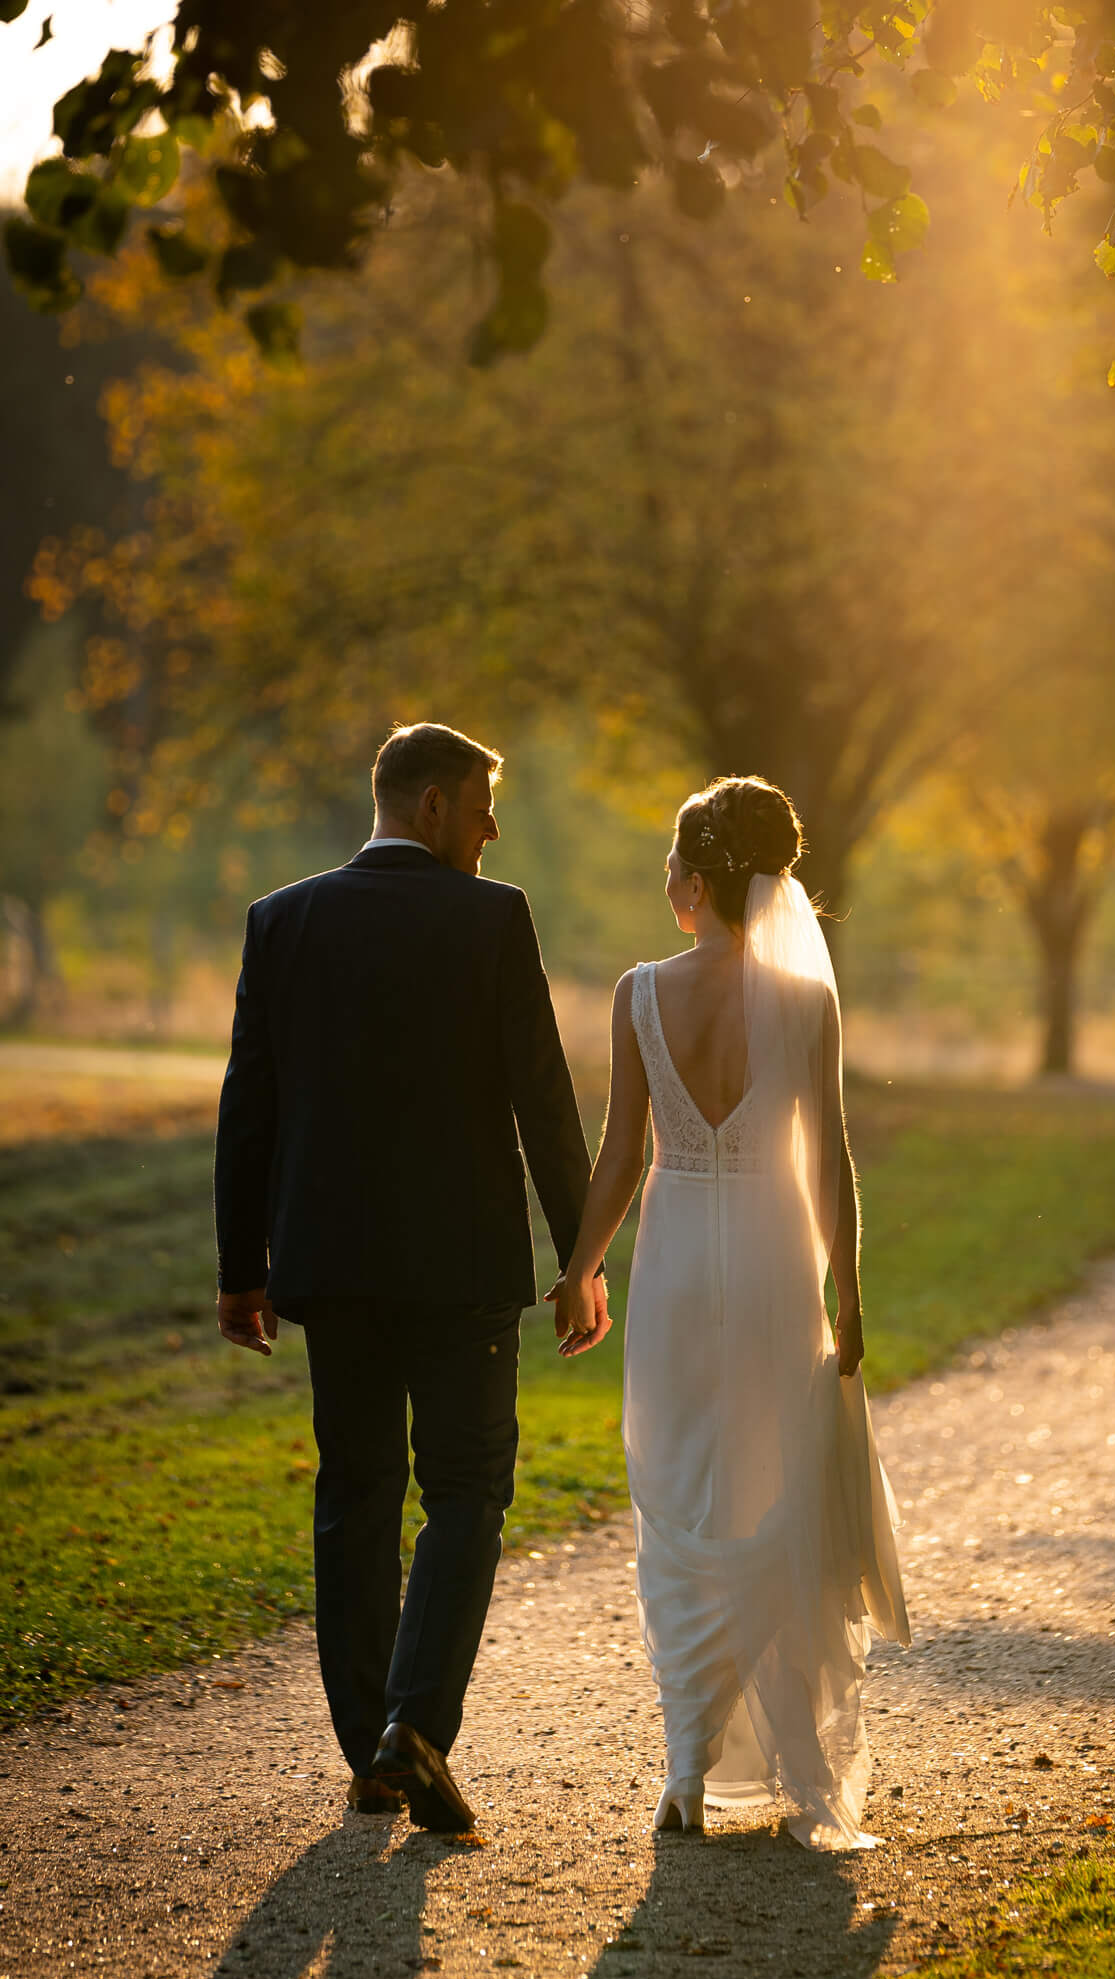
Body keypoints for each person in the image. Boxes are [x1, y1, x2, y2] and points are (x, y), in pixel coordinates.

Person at [213, 723, 606, 1831]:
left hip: (330, 1265)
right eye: (483, 804)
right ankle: (414, 1726)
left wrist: (244, 1270)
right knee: (467, 1490)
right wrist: (579, 1258)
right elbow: (542, 1098)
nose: (493, 828)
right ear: (431, 805)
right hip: (462, 1266)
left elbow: (252, 1106)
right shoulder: (491, 919)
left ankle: (370, 1745)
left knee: (357, 1490)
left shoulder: (281, 921)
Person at [554, 775, 908, 1849]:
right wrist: (847, 1290)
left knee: (675, 1493)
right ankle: (775, 1755)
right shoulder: (805, 1001)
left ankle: (683, 1766)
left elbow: (621, 1154)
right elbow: (831, 1159)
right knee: (774, 1491)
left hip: (672, 1273)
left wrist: (580, 1268)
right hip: (769, 1257)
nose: (664, 881)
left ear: (696, 883)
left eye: (671, 865)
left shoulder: (637, 993)